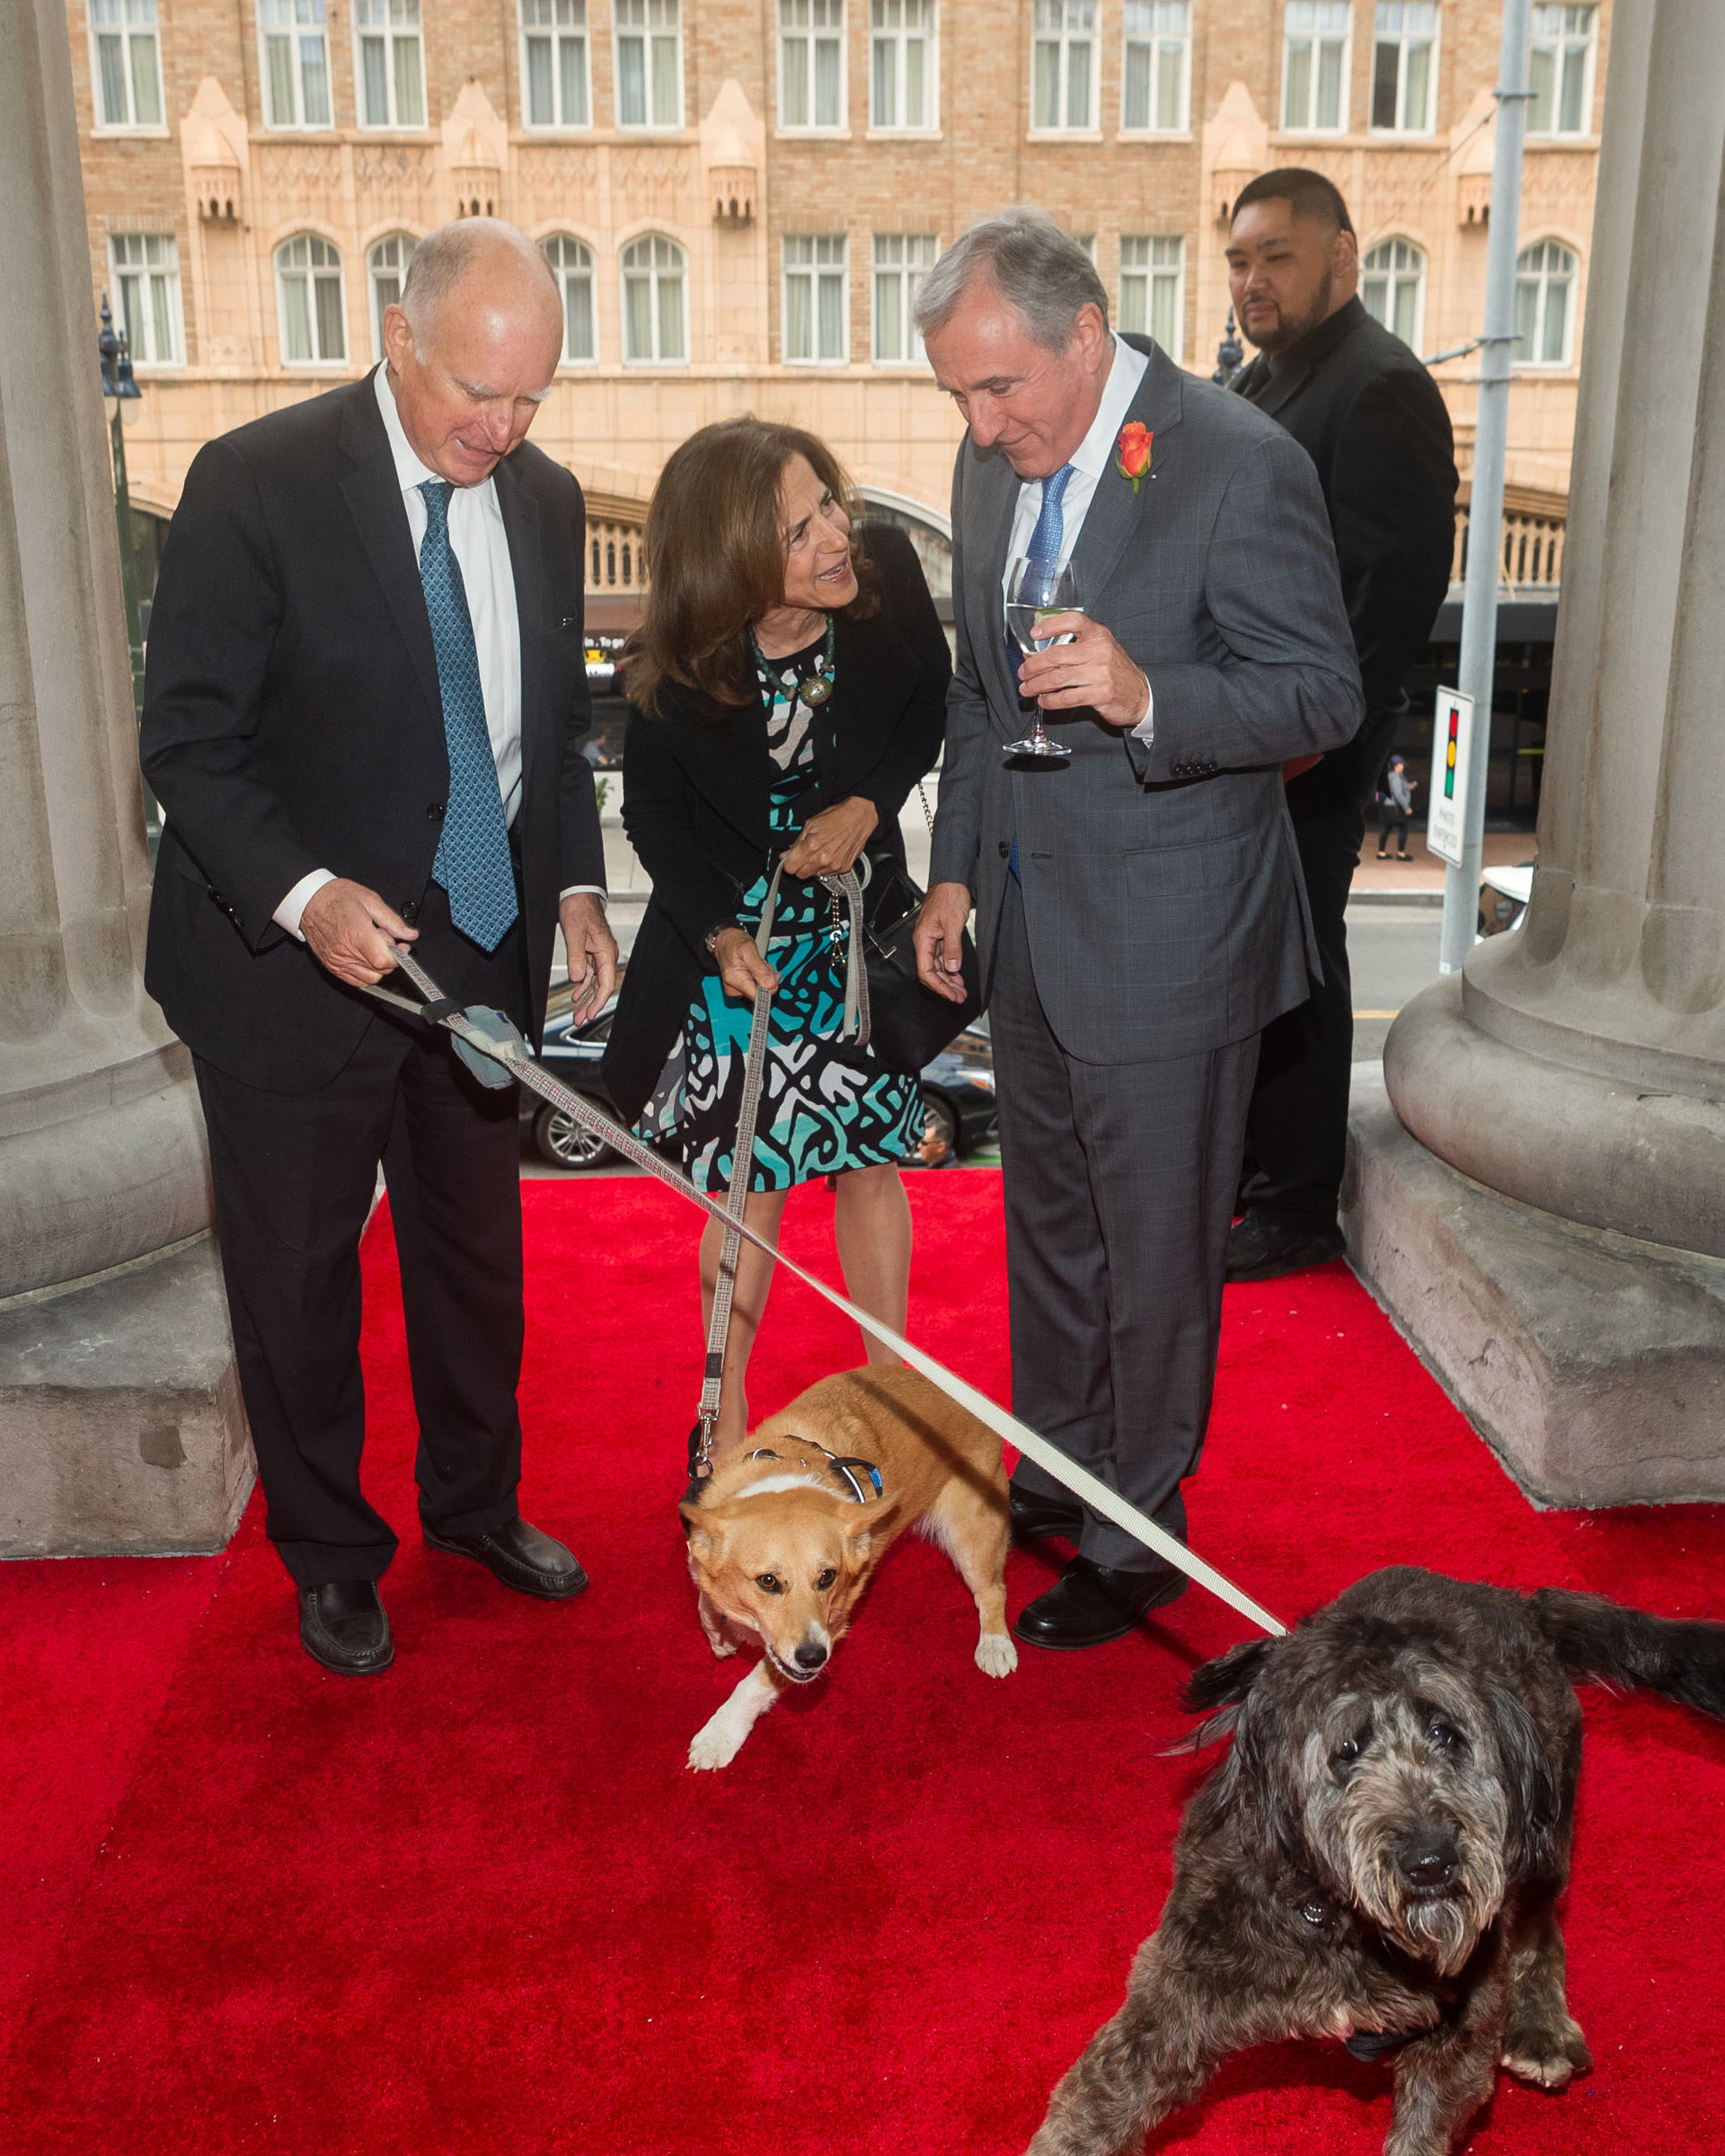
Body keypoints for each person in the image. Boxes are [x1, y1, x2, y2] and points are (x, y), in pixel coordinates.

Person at [140, 221, 618, 1676]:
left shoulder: (539, 496)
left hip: (472, 946)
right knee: (297, 1276)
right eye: (481, 392)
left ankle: (474, 1504)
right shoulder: (254, 483)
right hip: (291, 971)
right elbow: (190, 743)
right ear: (396, 335)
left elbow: (545, 729)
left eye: (533, 397)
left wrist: (582, 890)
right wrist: (306, 894)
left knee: (476, 1256)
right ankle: (332, 1554)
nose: (506, 426)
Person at [910, 210, 1362, 1651]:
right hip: (1031, 928)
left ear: (1087, 336)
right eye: (960, 399)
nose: (983, 429)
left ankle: (1138, 1534)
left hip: (1176, 937)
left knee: (1156, 1247)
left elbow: (1320, 696)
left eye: (1002, 391)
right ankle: (1058, 1464)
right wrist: (955, 878)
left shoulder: (1238, 462)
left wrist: (1147, 690)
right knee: (1048, 1226)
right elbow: (978, 697)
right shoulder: (994, 471)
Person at [603, 420, 950, 1458]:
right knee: (748, 1184)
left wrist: (869, 805)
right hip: (741, 951)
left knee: (870, 1159)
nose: (836, 536)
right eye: (800, 533)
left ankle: (891, 1403)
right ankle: (727, 1419)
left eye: (828, 503)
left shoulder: (883, 574)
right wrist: (714, 930)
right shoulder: (674, 666)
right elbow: (654, 819)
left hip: (853, 946)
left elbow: (931, 703)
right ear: (740, 566)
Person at [1223, 169, 1458, 1282]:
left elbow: (1390, 596)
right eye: (1239, 259)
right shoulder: (1269, 381)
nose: (1253, 279)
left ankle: (1298, 1206)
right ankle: (1249, 1178)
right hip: (1254, 740)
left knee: (1300, 966)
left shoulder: (1378, 386)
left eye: (1277, 255)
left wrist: (1304, 745)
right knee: (1246, 965)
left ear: (1341, 258)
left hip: (1308, 751)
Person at [1377, 755, 1417, 859]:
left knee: (1386, 828)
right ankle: (1401, 853)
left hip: (1387, 806)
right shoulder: (1396, 777)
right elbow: (1398, 793)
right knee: (1403, 828)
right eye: (1402, 764)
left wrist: (1409, 786)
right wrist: (1406, 807)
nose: (1403, 766)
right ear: (1397, 765)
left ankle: (1381, 852)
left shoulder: (1390, 776)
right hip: (1394, 808)